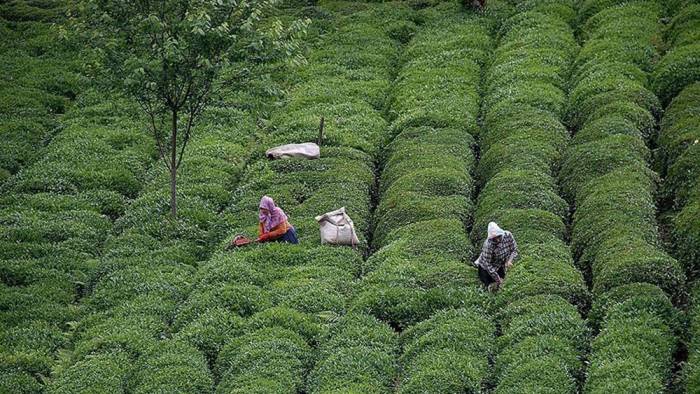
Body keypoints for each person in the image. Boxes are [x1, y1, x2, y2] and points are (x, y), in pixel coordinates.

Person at [473, 222, 518, 291]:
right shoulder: (488, 245)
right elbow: (488, 265)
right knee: (491, 284)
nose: (497, 240)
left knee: (503, 283)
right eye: (494, 238)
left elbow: (514, 250)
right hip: (486, 269)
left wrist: (509, 260)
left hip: (499, 264)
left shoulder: (508, 235)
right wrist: (498, 279)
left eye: (498, 237)